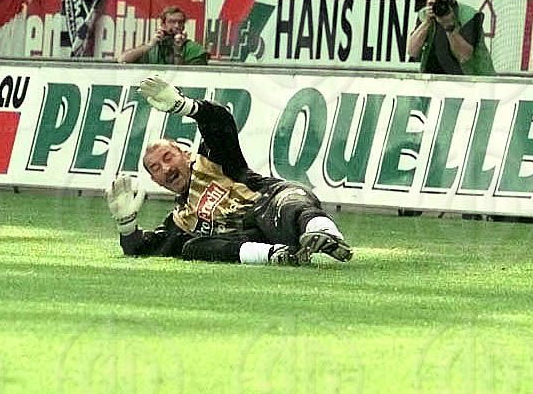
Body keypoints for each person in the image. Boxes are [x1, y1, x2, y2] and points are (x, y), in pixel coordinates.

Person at [104, 76, 353, 266]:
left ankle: (324, 234)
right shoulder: (181, 219)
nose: (166, 168)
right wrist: (127, 226)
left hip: (270, 204)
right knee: (192, 247)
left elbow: (220, 121)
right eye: (156, 168)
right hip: (256, 239)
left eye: (168, 157)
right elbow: (145, 249)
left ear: (185, 154)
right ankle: (278, 256)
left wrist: (185, 106)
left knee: (289, 203)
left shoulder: (213, 159)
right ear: (156, 181)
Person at [405, 0, 494, 75]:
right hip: (433, 77)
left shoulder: (469, 16)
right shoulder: (425, 15)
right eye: (434, 2)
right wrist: (426, 22)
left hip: (470, 78)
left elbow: (464, 56)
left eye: (442, 1)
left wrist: (449, 27)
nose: (439, 5)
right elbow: (412, 51)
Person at [118, 4, 209, 65]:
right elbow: (122, 59)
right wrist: (149, 45)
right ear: (163, 24)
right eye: (172, 22)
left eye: (180, 22)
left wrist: (178, 50)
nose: (177, 26)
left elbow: (190, 75)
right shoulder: (153, 48)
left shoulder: (193, 48)